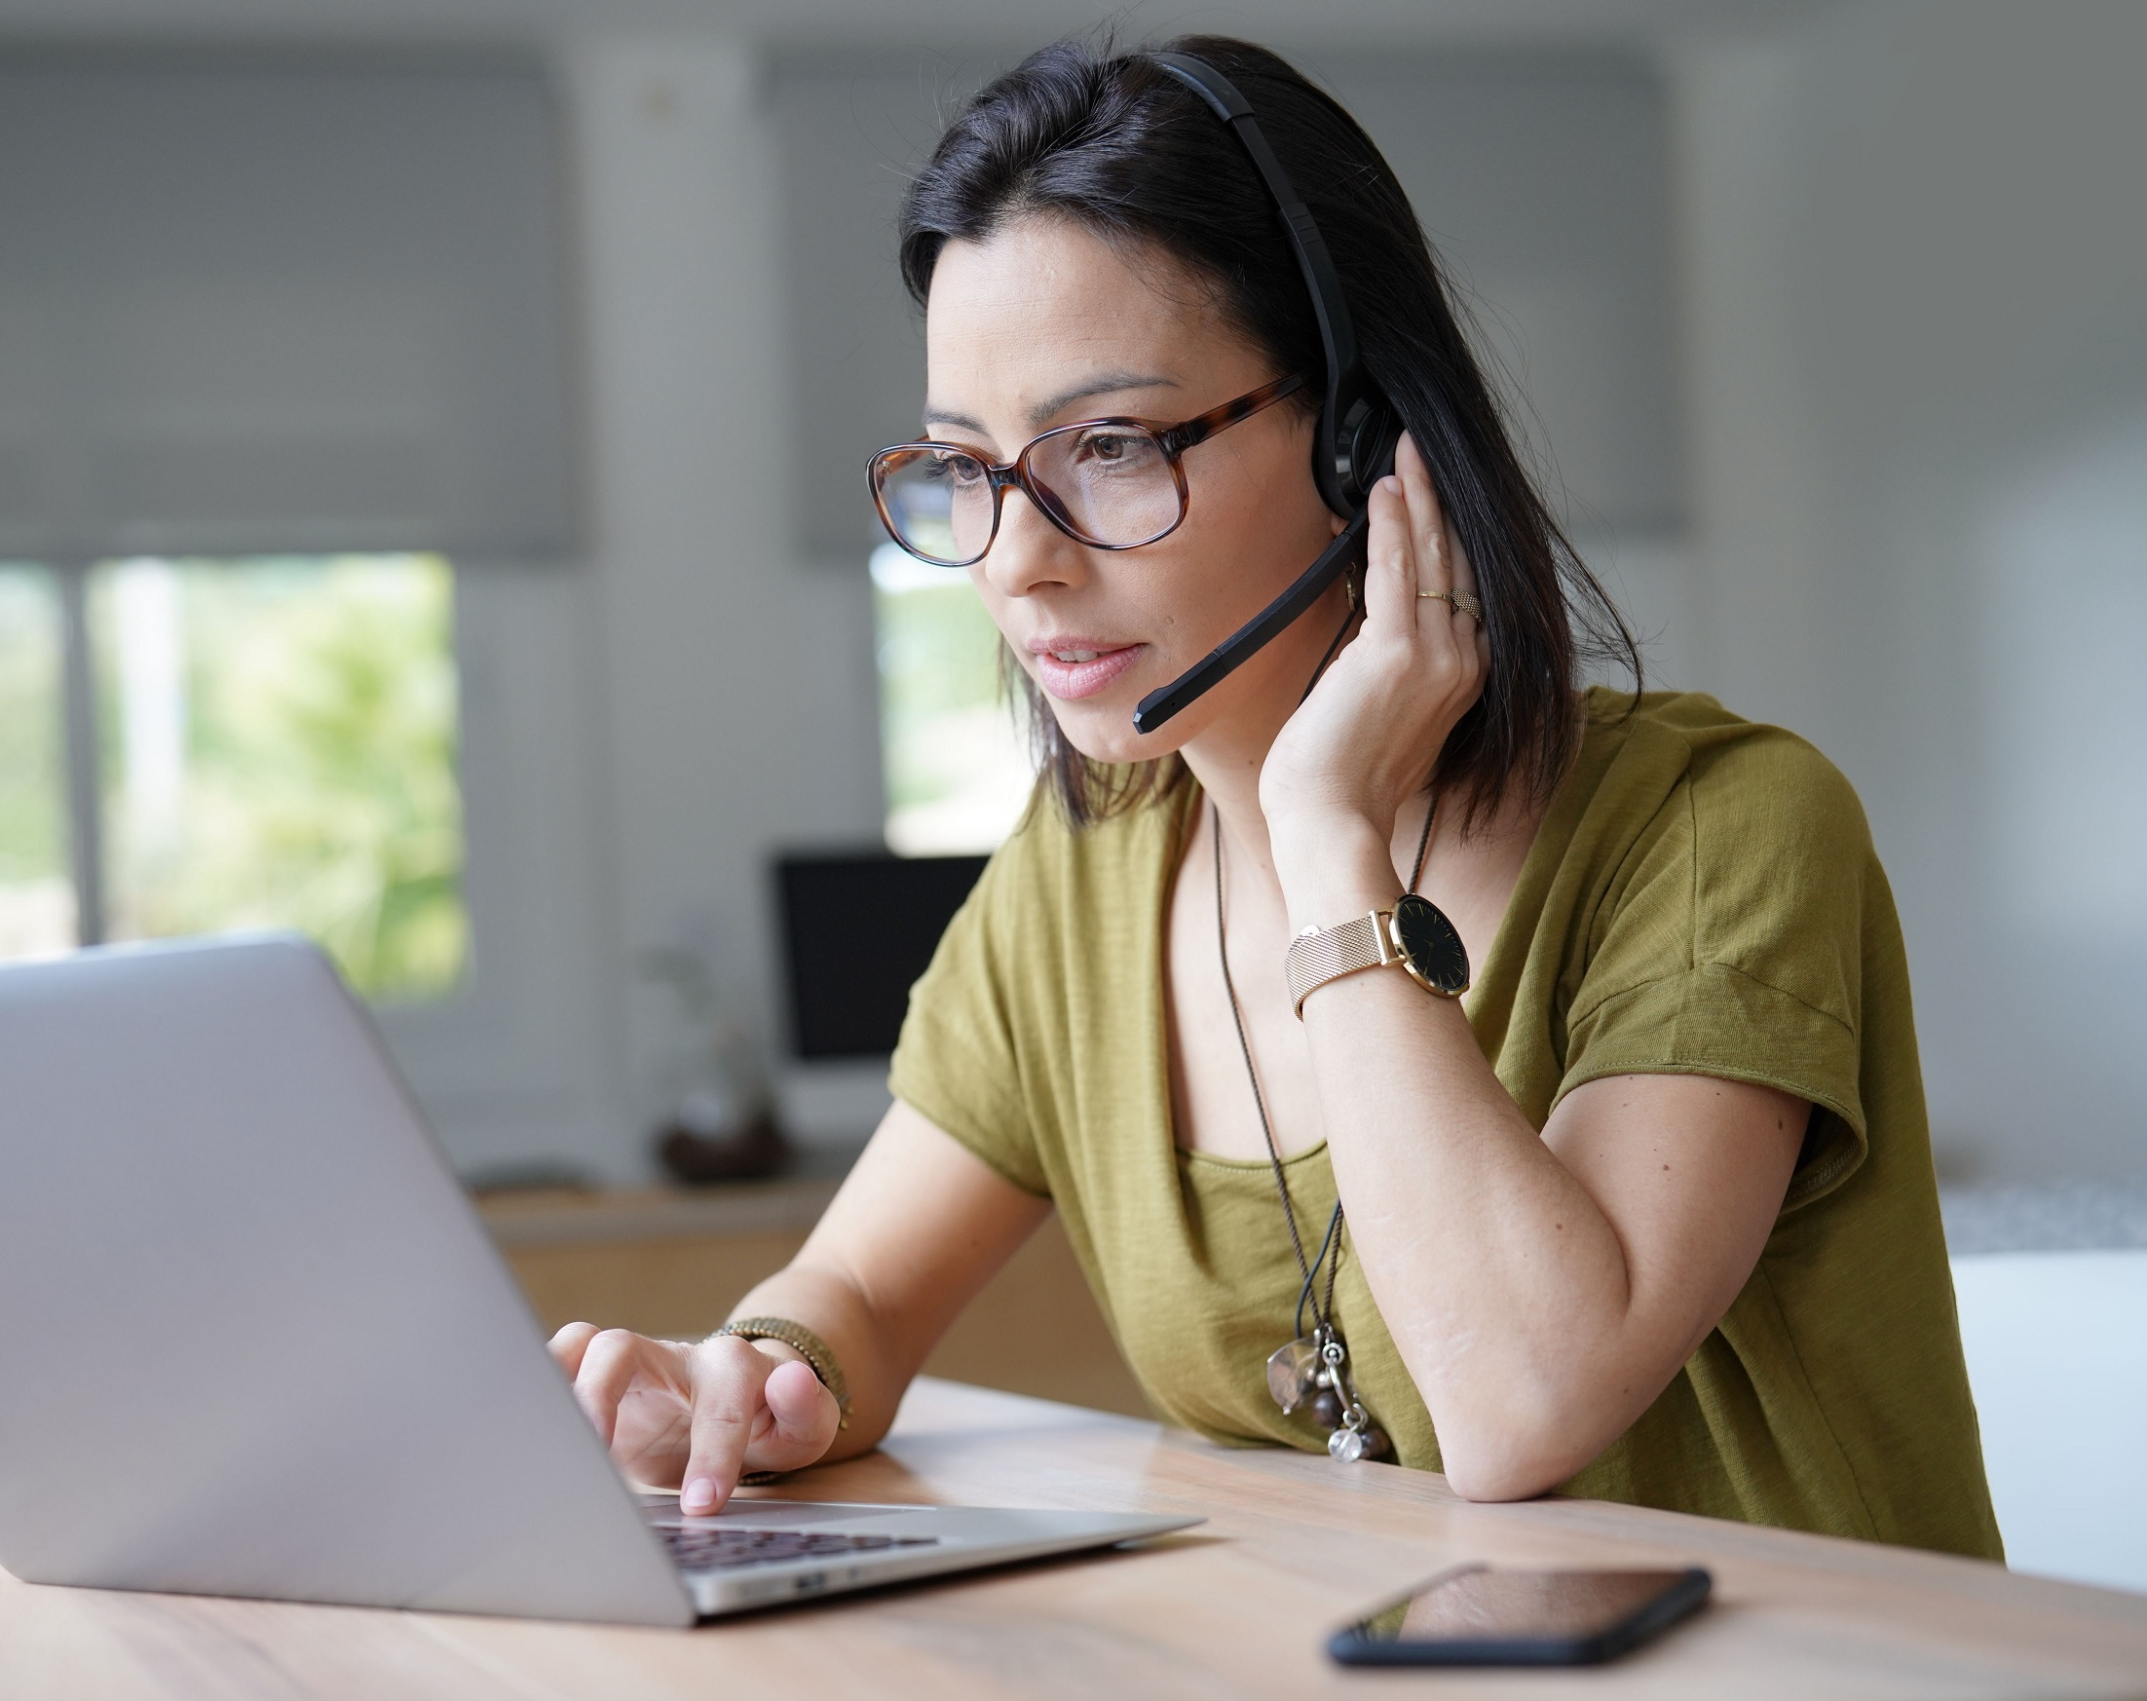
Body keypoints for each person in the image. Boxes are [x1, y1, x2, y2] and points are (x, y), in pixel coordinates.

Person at [550, 34, 2001, 1558]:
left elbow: (1521, 1403)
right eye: (966, 470)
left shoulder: (1726, 832)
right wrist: (752, 1375)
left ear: (1360, 435)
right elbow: (853, 1293)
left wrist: (1326, 830)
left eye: (1108, 447)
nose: (1018, 560)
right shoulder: (1086, 873)